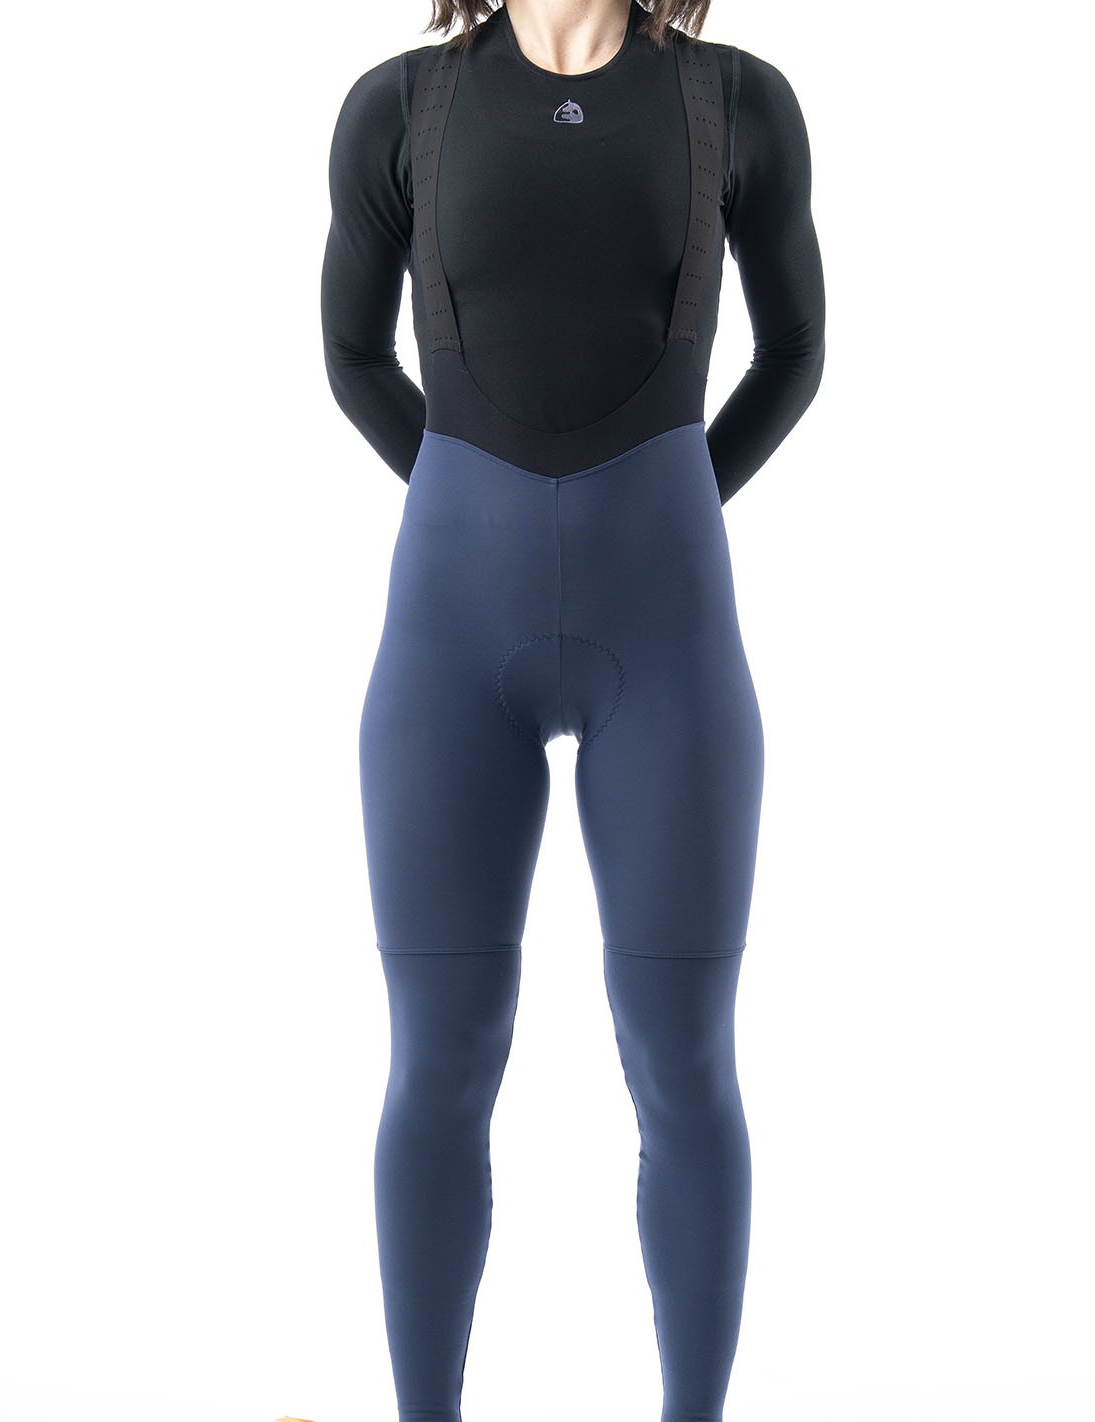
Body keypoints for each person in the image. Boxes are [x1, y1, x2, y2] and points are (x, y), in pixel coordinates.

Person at [320, 1, 825, 1417]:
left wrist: (668, 501)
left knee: (683, 1058)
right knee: (439, 1057)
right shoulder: (396, 107)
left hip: (669, 639)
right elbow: (352, 353)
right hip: (448, 640)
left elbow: (795, 349)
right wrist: (470, 491)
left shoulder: (741, 101)